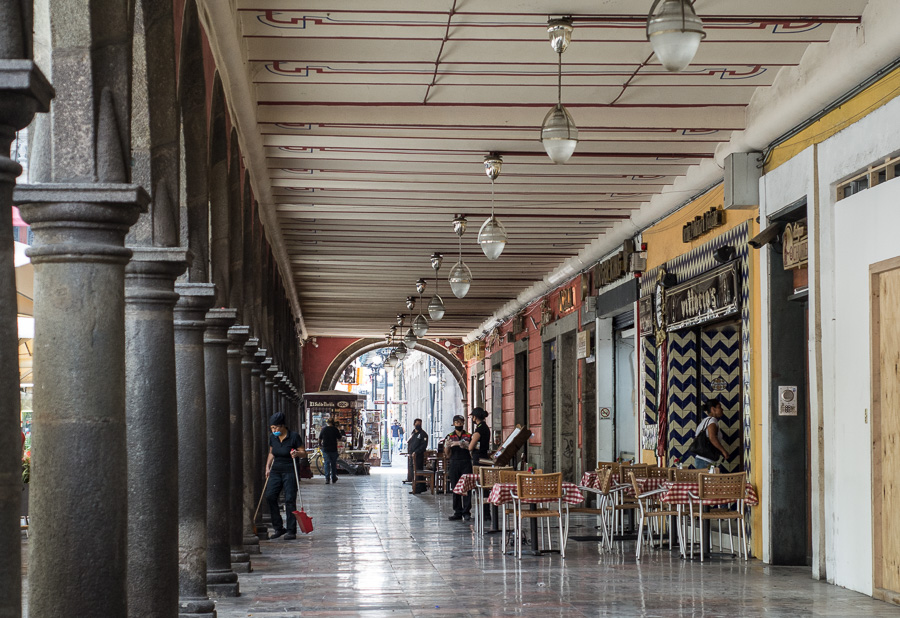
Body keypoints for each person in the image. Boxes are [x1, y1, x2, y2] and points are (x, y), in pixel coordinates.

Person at [264, 412, 304, 540]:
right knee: (270, 496)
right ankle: (278, 527)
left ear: (282, 426)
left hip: (290, 470)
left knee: (289, 499)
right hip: (276, 470)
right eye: (272, 428)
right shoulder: (273, 437)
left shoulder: (294, 437)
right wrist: (267, 467)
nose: (274, 430)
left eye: (276, 428)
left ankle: (291, 530)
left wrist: (297, 453)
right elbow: (271, 453)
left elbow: (304, 453)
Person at [444, 415, 473, 521]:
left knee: (467, 487)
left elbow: (474, 448)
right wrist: (448, 446)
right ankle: (457, 511)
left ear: (463, 423)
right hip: (454, 462)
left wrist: (465, 445)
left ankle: (466, 511)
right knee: (455, 487)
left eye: (460, 422)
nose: (459, 424)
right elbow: (447, 454)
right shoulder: (450, 436)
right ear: (453, 424)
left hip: (466, 462)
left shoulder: (469, 435)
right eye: (456, 422)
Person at [468, 407, 491, 521]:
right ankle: (486, 512)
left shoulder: (479, 429)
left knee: (480, 486)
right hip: (485, 458)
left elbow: (471, 446)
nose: (472, 418)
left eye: (472, 416)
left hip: (478, 460)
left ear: (475, 417)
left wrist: (466, 446)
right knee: (485, 486)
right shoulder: (486, 428)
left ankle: (484, 513)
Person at [693, 397, 729, 470]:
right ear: (713, 409)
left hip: (701, 459)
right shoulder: (712, 421)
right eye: (719, 407)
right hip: (706, 461)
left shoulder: (704, 422)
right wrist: (723, 451)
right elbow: (712, 437)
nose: (722, 409)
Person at [318, 417, 344, 484]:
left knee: (326, 463)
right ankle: (333, 477)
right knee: (333, 464)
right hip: (333, 449)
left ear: (327, 422)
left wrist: (320, 445)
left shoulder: (324, 429)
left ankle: (327, 479)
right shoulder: (335, 429)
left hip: (325, 449)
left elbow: (319, 439)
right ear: (333, 423)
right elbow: (339, 437)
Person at [407, 418, 428, 494]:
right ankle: (416, 486)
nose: (418, 425)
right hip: (411, 456)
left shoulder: (423, 434)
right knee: (412, 471)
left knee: (418, 471)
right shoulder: (413, 433)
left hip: (418, 456)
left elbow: (423, 446)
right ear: (414, 424)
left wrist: (416, 452)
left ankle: (419, 487)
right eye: (417, 424)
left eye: (420, 424)